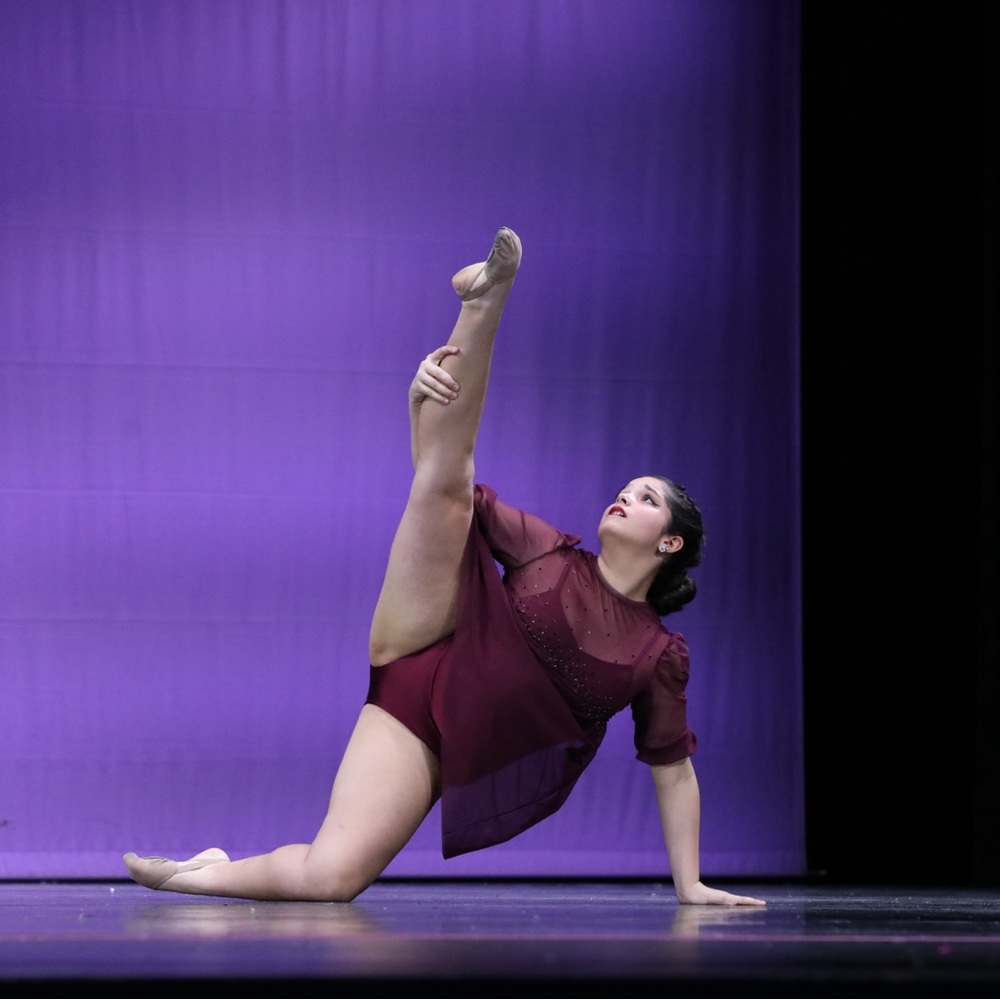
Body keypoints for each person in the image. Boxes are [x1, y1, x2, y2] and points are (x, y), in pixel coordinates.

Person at [124, 228, 765, 907]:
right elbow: (438, 482)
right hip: (422, 644)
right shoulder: (549, 550)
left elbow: (673, 770)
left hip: (431, 740)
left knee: (332, 879)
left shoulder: (657, 655)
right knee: (449, 483)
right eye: (627, 488)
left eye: (646, 500)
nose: (625, 497)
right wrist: (418, 405)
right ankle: (486, 299)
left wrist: (690, 885)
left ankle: (201, 872)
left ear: (670, 544)